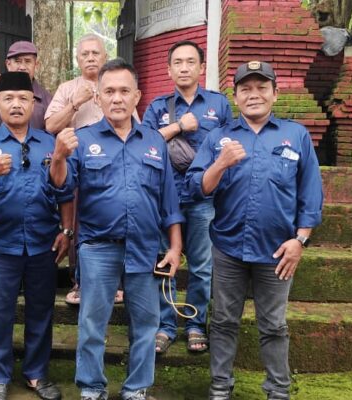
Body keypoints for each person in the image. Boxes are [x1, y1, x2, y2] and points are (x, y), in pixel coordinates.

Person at [185, 61, 323, 400]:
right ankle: (220, 386)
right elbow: (195, 188)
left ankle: (278, 390)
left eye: (262, 87)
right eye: (246, 89)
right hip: (228, 248)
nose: (254, 94)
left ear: (275, 93)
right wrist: (221, 163)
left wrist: (300, 240)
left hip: (278, 251)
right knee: (223, 321)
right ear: (235, 97)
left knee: (274, 325)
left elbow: (310, 194)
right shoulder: (219, 138)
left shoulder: (296, 135)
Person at [49, 59, 184, 400]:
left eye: (125, 91)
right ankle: (92, 388)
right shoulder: (82, 140)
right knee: (92, 324)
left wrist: (175, 247)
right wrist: (59, 157)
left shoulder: (154, 141)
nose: (117, 98)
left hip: (145, 247)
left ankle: (136, 389)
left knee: (146, 324)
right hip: (97, 248)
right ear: (98, 97)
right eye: (109, 91)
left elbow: (169, 200)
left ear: (137, 96)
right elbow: (62, 187)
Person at [0, 72, 73, 400]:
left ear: (33, 103)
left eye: (23, 98)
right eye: (8, 98)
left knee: (41, 310)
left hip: (43, 242)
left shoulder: (49, 143)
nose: (16, 104)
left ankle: (36, 374)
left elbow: (66, 191)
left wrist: (66, 230)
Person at [142, 40, 233, 354]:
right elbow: (144, 144)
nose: (184, 68)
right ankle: (165, 326)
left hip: (202, 197)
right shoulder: (157, 107)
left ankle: (195, 323)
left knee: (201, 264)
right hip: (164, 197)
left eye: (190, 62)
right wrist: (178, 126)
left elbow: (228, 145)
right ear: (168, 70)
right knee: (163, 261)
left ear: (201, 67)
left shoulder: (219, 105)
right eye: (177, 62)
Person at [44, 34, 125, 305]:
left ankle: (115, 283)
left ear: (105, 56)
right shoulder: (68, 88)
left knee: (115, 221)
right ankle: (79, 281)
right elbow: (51, 126)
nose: (90, 58)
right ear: (77, 59)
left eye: (95, 53)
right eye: (85, 54)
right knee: (79, 225)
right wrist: (76, 103)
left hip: (114, 169)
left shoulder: (115, 85)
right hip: (79, 166)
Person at [0, 40, 52, 130]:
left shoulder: (48, 100)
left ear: (36, 65)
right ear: (8, 64)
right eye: (17, 61)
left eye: (27, 61)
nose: (22, 67)